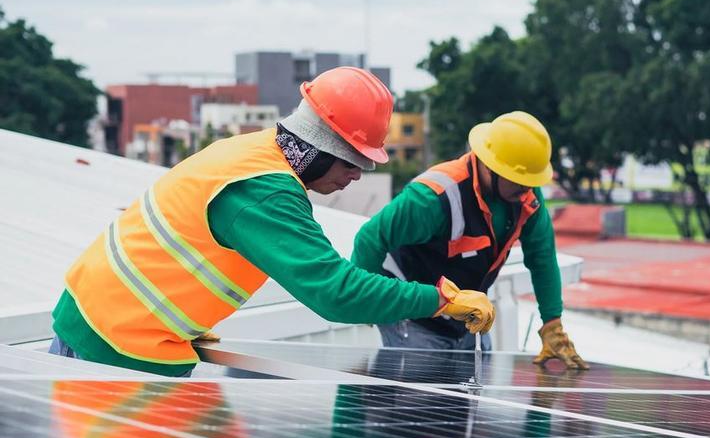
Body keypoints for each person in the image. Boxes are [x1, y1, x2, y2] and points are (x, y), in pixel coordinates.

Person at [49, 67, 495, 376]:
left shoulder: (255, 152)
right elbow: (334, 293)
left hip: (111, 323)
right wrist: (439, 299)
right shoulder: (265, 191)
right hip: (114, 343)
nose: (358, 174)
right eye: (354, 161)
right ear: (323, 145)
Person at [351, 111, 587, 369]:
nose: (527, 190)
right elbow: (370, 238)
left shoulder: (525, 197)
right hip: (416, 318)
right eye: (520, 181)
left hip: (468, 317)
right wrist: (367, 301)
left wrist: (552, 323)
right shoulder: (434, 197)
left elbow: (542, 258)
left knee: (468, 399)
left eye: (531, 182)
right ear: (490, 167)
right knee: (422, 399)